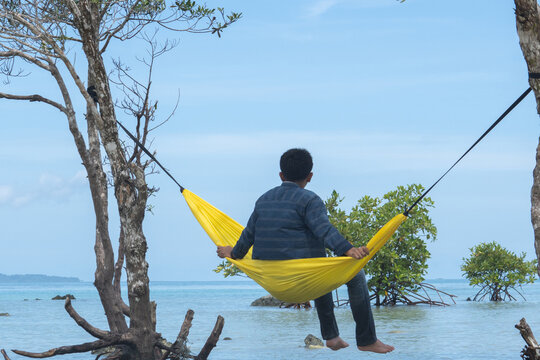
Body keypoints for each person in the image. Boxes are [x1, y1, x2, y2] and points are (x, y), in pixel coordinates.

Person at [217, 148, 394, 354]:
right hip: (302, 275)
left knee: (323, 269)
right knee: (351, 274)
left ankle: (332, 337)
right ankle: (366, 339)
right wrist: (347, 249)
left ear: (281, 175)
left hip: (272, 275)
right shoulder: (310, 200)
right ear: (309, 177)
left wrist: (233, 253)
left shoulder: (263, 200)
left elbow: (248, 235)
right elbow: (323, 229)